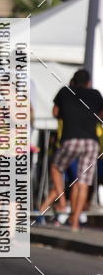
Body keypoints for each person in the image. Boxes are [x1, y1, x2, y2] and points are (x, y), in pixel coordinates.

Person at [50, 69, 103, 231]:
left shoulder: (65, 91)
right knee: (83, 183)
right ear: (88, 82)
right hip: (91, 142)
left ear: (73, 81)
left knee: (55, 168)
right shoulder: (95, 94)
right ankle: (74, 223)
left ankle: (62, 201)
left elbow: (55, 113)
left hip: (70, 139)